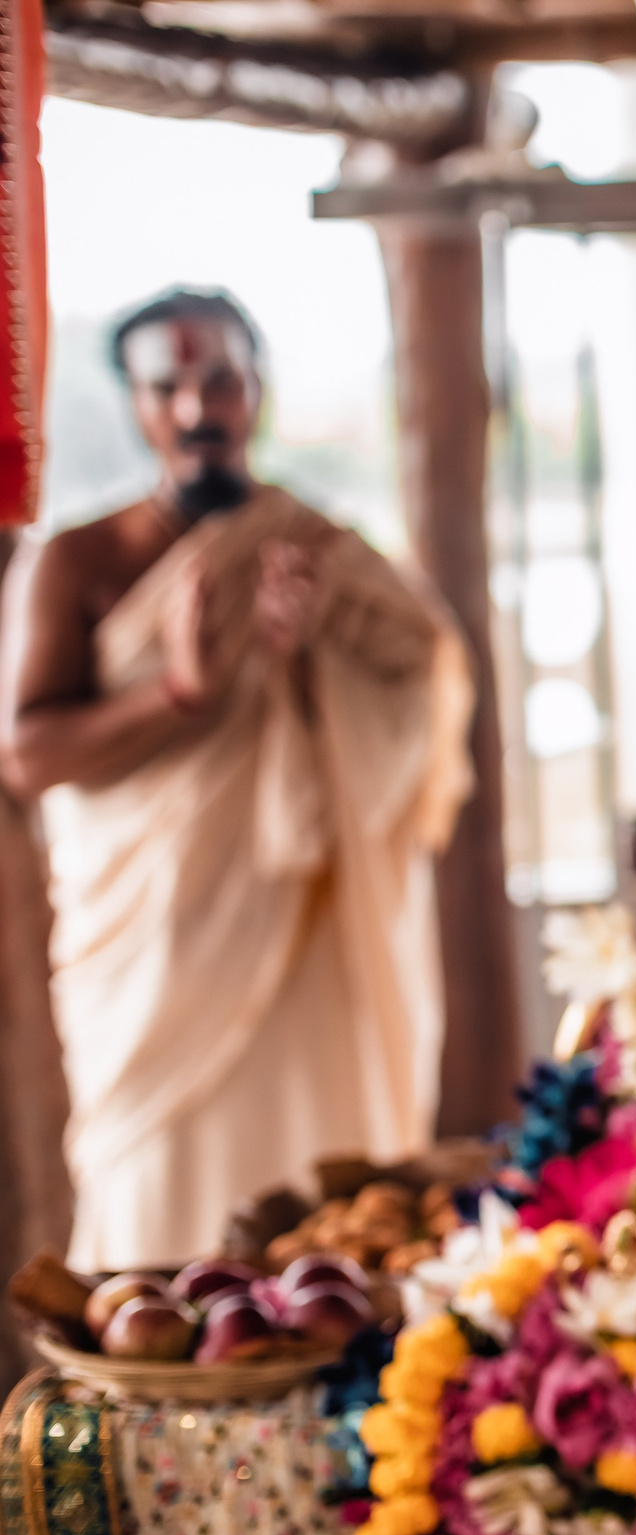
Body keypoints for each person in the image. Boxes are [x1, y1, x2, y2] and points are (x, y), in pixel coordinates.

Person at [0, 288, 472, 1270]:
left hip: (307, 932)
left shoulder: (322, 554)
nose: (193, 409)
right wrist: (177, 693)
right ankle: (137, 1410)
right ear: (133, 403)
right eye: (165, 385)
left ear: (258, 390)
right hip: (157, 957)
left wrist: (310, 667)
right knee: (151, 1206)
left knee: (325, 1210)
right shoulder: (77, 560)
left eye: (219, 379)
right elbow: (28, 754)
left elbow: (426, 676)